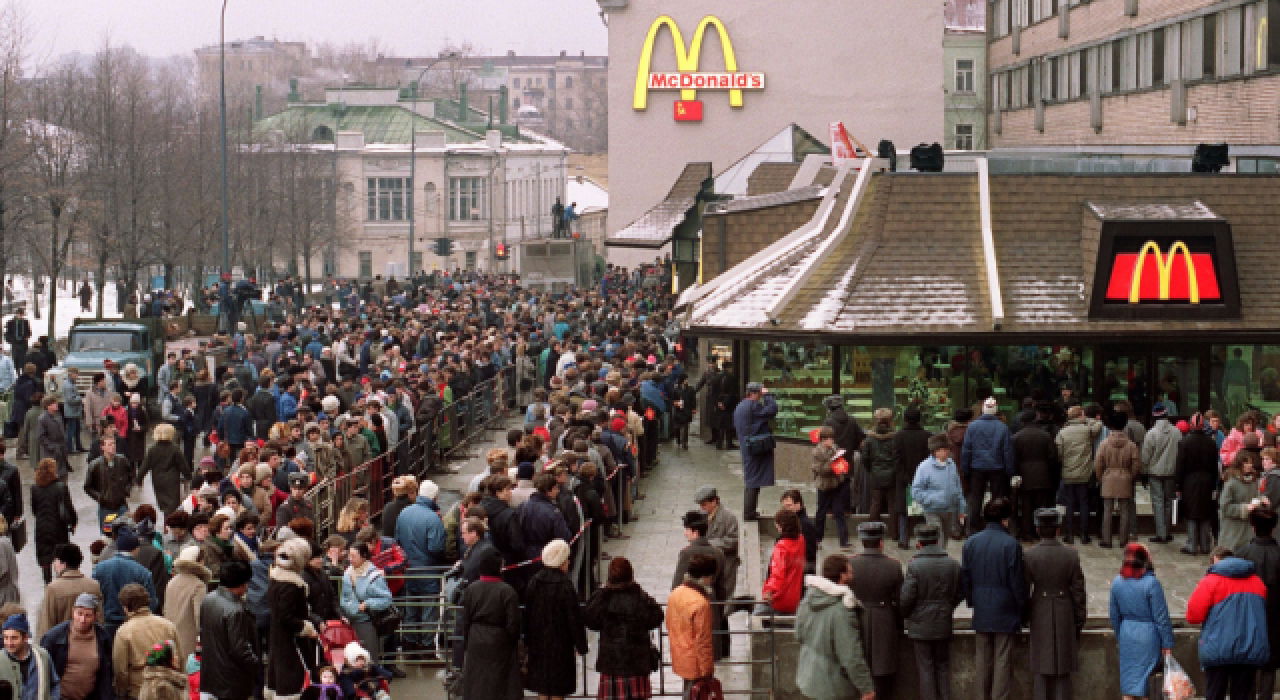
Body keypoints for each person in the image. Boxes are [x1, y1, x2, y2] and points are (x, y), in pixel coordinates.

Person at [1183, 545, 1269, 700]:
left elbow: (1193, 616)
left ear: (1215, 561)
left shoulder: (1210, 581)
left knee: (1215, 694)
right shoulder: (1257, 582)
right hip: (1249, 650)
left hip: (1218, 651)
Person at [961, 498, 1026, 700]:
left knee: (982, 659)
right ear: (1005, 520)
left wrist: (972, 600)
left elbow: (966, 577)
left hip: (982, 607)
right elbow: (1017, 583)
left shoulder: (971, 543)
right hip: (1006, 609)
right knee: (1002, 660)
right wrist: (1022, 609)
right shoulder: (1011, 544)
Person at [1023, 508, 1086, 700]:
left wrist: (1025, 616)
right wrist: (1079, 619)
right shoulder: (1070, 555)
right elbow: (1078, 592)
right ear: (1058, 530)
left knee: (1041, 667)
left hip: (1039, 610)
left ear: (1038, 529)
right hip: (1064, 610)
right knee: (1063, 668)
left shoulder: (1030, 556)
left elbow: (1024, 590)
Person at [793, 554, 874, 700]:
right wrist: (866, 687)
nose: (852, 574)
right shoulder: (842, 610)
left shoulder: (807, 599)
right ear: (842, 576)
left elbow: (798, 634)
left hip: (808, 680)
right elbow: (850, 655)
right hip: (833, 688)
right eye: (850, 571)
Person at [584, 557, 665, 700]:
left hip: (611, 663)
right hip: (636, 663)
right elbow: (657, 616)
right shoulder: (639, 597)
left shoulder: (603, 597)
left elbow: (590, 620)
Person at [900, 523, 963, 700]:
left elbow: (906, 598)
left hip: (920, 626)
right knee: (942, 667)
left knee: (925, 668)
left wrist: (908, 614)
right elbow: (961, 591)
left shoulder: (914, 566)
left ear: (919, 543)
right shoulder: (952, 564)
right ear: (937, 541)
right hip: (943, 622)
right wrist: (948, 607)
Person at [1109, 543, 1175, 700]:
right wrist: (1167, 643)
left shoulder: (1117, 582)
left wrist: (1121, 635)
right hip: (1148, 637)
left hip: (1127, 635)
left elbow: (1114, 615)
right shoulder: (1152, 583)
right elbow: (1161, 617)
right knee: (1146, 686)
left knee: (1128, 685)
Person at [522, 540, 587, 700]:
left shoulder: (534, 582)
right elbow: (574, 617)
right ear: (561, 561)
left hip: (538, 643)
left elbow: (527, 614)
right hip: (561, 645)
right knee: (558, 687)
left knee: (542, 687)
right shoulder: (565, 585)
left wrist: (527, 640)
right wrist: (581, 644)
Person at [455, 550, 522, 700]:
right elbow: (513, 624)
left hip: (476, 638)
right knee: (500, 685)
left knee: (477, 685)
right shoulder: (507, 591)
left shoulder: (471, 589)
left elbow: (465, 620)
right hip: (500, 640)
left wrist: (468, 640)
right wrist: (513, 641)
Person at [847, 521, 903, 700]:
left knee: (859, 667)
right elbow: (900, 601)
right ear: (881, 542)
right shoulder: (893, 566)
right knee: (883, 672)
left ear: (862, 541)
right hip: (884, 619)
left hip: (857, 617)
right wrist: (899, 625)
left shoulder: (851, 564)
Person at [393, 479, 445, 649]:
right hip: (428, 570)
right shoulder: (433, 518)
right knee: (429, 610)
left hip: (408, 569)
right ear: (434, 498)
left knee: (411, 608)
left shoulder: (404, 513)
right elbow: (436, 547)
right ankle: (427, 646)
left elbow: (397, 541)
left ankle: (410, 643)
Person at [200, 560, 261, 700]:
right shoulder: (236, 610)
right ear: (242, 584)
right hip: (232, 681)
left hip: (211, 674)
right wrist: (255, 666)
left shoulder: (208, 599)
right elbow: (240, 649)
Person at [266, 538, 318, 700]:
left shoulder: (276, 579)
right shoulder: (291, 585)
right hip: (291, 643)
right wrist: (306, 628)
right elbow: (286, 617)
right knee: (290, 687)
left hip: (278, 640)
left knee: (280, 683)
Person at [1237, 508, 1280, 700]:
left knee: (1247, 669)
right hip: (1275, 621)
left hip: (1247, 619)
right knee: (1269, 669)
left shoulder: (1242, 554)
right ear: (1273, 529)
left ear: (1253, 528)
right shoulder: (1279, 554)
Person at [40, 593, 113, 700]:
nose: (82, 620)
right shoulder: (54, 638)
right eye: (79, 614)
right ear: (73, 612)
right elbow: (43, 672)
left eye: (87, 615)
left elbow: (107, 673)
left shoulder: (103, 637)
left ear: (94, 616)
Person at [110, 584, 176, 700]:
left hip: (138, 690)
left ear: (126, 607)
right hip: (166, 688)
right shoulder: (168, 626)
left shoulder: (124, 631)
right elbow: (178, 658)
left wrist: (121, 690)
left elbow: (121, 670)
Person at [961, 397, 1015, 536]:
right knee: (997, 499)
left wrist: (965, 469)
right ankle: (997, 526)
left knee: (976, 499)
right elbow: (1007, 451)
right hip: (997, 467)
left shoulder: (972, 426)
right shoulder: (1002, 427)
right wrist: (1009, 471)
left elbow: (967, 449)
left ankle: (972, 529)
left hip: (977, 467)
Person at [92, 527, 158, 640]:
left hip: (105, 625)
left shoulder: (99, 568)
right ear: (135, 548)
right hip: (133, 626)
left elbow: (93, 596)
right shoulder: (142, 572)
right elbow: (152, 603)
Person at [667, 554, 716, 698]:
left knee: (688, 693)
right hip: (696, 662)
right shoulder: (701, 603)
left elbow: (669, 622)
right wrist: (707, 670)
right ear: (704, 577)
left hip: (680, 656)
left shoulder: (675, 593)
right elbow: (703, 640)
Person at [1176, 413, 1222, 556]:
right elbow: (1215, 466)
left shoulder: (1185, 443)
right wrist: (1215, 484)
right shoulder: (1211, 443)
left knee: (1191, 512)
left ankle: (1192, 544)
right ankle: (1205, 545)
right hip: (1207, 480)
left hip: (1190, 481)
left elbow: (1180, 466)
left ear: (1191, 425)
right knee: (1205, 512)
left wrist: (1178, 486)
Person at [1012, 404, 1058, 543]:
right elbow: (1053, 457)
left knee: (1026, 507)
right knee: (1041, 507)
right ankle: (1042, 532)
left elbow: (1013, 459)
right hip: (1043, 475)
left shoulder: (1016, 437)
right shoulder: (1046, 436)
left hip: (1025, 476)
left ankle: (1027, 533)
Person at [338, 543, 392, 665]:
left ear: (363, 556)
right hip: (349, 621)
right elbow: (344, 597)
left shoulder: (374, 576)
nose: (350, 559)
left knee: (369, 657)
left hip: (366, 621)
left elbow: (387, 599)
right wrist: (342, 612)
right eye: (349, 556)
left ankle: (372, 681)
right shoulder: (347, 574)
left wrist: (368, 604)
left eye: (353, 556)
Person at [1096, 411, 1142, 549]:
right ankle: (1123, 539)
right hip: (1125, 477)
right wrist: (1129, 475)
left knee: (1107, 510)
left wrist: (1102, 477)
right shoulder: (1131, 445)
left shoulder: (1104, 444)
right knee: (1125, 510)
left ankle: (1106, 539)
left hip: (1108, 477)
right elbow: (1136, 464)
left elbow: (1098, 463)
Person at [912, 434, 966, 548]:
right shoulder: (924, 467)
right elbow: (916, 491)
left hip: (950, 509)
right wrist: (933, 500)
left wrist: (962, 508)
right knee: (938, 538)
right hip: (932, 510)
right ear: (934, 451)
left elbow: (958, 487)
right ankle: (937, 560)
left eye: (947, 449)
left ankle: (939, 559)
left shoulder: (952, 465)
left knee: (945, 539)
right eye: (942, 449)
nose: (946, 452)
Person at [36, 545, 100, 640]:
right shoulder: (94, 585)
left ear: (63, 564)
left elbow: (46, 623)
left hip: (62, 643)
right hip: (89, 642)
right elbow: (100, 619)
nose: (54, 565)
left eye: (55, 561)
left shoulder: (53, 588)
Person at [734, 382, 777, 520]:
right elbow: (772, 410)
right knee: (753, 482)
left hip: (747, 447)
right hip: (755, 448)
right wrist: (768, 395)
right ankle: (749, 513)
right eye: (760, 393)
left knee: (752, 480)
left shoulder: (741, 406)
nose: (761, 395)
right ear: (755, 393)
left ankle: (750, 511)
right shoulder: (754, 406)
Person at [1141, 402, 1182, 544]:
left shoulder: (1151, 433)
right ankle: (1167, 531)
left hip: (1155, 472)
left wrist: (1144, 472)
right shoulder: (1177, 432)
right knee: (1168, 502)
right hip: (1171, 472)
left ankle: (1161, 533)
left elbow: (1145, 456)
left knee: (1157, 502)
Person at [31, 459, 75, 584]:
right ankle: (61, 581)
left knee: (45, 557)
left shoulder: (35, 488)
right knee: (61, 555)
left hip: (42, 527)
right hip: (58, 527)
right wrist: (73, 521)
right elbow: (68, 507)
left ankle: (48, 583)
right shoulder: (61, 487)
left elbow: (34, 510)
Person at [893, 407, 931, 549]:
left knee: (903, 510)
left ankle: (903, 539)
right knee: (922, 510)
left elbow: (896, 459)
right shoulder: (927, 435)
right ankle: (922, 539)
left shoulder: (898, 436)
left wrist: (903, 476)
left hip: (904, 479)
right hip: (923, 478)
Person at [162, 547, 207, 666]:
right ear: (198, 562)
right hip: (190, 638)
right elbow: (200, 617)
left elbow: (165, 609)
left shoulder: (171, 582)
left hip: (171, 635)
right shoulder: (198, 585)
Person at [861, 408, 900, 542]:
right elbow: (898, 457)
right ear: (890, 421)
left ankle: (872, 533)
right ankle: (895, 534)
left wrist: (872, 470)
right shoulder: (895, 437)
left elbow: (865, 458)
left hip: (876, 474)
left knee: (875, 504)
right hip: (892, 475)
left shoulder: (870, 438)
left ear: (876, 420)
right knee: (892, 505)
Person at [0, 614, 59, 700]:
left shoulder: (43, 657)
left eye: (14, 638)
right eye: (6, 638)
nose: (9, 643)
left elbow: (54, 684)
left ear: (25, 638)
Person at [758, 510, 806, 615]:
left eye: (778, 525)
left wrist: (768, 591)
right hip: (795, 598)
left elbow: (777, 575)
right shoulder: (801, 540)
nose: (777, 528)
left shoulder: (781, 546)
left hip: (779, 599)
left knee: (756, 618)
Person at [134, 427, 188, 519]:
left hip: (158, 480)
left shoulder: (152, 449)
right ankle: (169, 526)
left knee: (163, 505)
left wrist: (138, 479)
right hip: (172, 480)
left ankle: (166, 523)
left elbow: (144, 466)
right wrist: (188, 476)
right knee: (173, 506)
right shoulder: (174, 448)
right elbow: (183, 465)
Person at [811, 426, 850, 549]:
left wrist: (841, 466)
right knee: (821, 513)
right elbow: (818, 469)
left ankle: (844, 541)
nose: (831, 441)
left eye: (832, 439)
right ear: (822, 440)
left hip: (835, 485)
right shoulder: (817, 452)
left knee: (839, 512)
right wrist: (832, 465)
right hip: (823, 486)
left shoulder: (835, 448)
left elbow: (840, 464)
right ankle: (817, 539)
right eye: (828, 439)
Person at [85, 438, 134, 529]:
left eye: (114, 444)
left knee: (125, 531)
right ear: (102, 447)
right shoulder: (95, 465)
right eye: (109, 444)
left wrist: (126, 490)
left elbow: (130, 477)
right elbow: (87, 486)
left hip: (121, 506)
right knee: (107, 533)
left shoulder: (122, 460)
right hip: (106, 508)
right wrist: (100, 497)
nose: (113, 446)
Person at [1221, 449, 1264, 553]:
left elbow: (1257, 497)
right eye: (1246, 462)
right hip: (1233, 531)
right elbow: (1224, 506)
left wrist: (1261, 501)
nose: (1249, 465)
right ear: (1239, 463)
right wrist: (1244, 508)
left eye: (1250, 462)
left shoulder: (1255, 480)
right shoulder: (1231, 482)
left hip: (1250, 530)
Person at [36, 398, 69, 480]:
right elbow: (41, 436)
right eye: (54, 403)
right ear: (48, 406)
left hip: (61, 451)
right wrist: (52, 447)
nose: (56, 404)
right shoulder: (42, 419)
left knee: (63, 475)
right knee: (52, 475)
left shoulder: (58, 416)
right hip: (50, 453)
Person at [61, 370, 84, 456]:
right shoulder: (68, 385)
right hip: (71, 411)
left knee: (77, 429)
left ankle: (78, 446)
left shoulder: (71, 383)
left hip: (75, 411)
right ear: (71, 374)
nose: (77, 375)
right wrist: (80, 398)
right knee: (71, 430)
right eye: (76, 373)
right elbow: (70, 399)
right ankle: (69, 448)